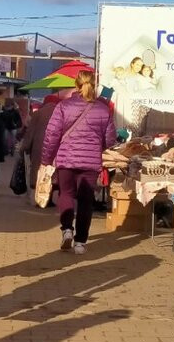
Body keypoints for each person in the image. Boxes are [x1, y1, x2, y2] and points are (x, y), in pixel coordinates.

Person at [40, 70, 115, 255]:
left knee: (66, 194)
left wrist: (46, 160)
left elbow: (52, 135)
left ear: (76, 85)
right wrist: (97, 146)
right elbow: (111, 139)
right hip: (90, 162)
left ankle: (67, 229)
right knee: (85, 202)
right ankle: (80, 242)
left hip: (66, 159)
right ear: (94, 85)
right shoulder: (103, 109)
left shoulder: (64, 106)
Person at [23, 92, 62, 190]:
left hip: (39, 147)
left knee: (39, 171)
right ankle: (51, 194)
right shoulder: (61, 113)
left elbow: (30, 132)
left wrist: (25, 147)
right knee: (53, 172)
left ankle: (41, 196)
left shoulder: (38, 113)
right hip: (57, 147)